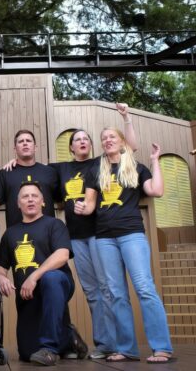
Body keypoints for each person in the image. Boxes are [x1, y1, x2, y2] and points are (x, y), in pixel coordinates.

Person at [0, 104, 139, 359]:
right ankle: (98, 342)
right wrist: (13, 164)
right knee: (93, 291)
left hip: (100, 232)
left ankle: (119, 345)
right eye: (77, 140)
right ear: (71, 147)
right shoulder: (58, 169)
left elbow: (129, 148)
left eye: (86, 139)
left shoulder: (101, 162)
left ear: (92, 145)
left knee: (108, 288)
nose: (82, 142)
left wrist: (126, 118)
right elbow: (29, 169)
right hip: (76, 234)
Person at [74, 128, 174, 364]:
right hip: (104, 237)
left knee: (144, 288)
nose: (108, 141)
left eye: (112, 137)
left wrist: (155, 161)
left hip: (132, 234)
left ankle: (161, 348)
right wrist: (81, 208)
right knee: (117, 294)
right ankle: (126, 349)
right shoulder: (95, 170)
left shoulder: (137, 168)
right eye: (104, 138)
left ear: (122, 142)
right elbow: (89, 206)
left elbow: (156, 191)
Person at [0, 182, 87, 366]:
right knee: (27, 353)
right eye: (25, 196)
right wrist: (1, 276)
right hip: (27, 295)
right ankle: (69, 337)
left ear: (43, 202)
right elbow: (0, 264)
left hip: (57, 284)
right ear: (17, 203)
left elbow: (62, 255)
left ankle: (50, 350)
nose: (30, 199)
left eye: (34, 196)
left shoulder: (54, 224)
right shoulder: (10, 234)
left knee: (50, 277)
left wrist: (34, 276)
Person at [0, 130, 58, 225]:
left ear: (35, 147)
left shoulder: (49, 172)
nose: (25, 143)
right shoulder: (6, 173)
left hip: (48, 233)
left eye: (28, 141)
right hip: (18, 235)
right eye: (21, 141)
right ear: (15, 149)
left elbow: (62, 198)